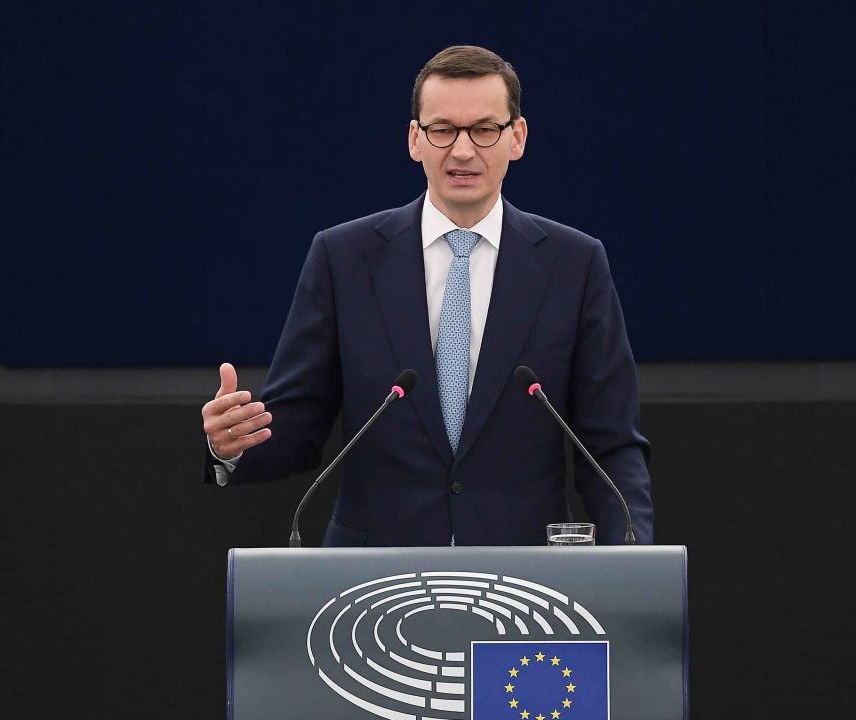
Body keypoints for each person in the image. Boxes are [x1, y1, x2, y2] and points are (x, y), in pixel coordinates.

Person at [201, 45, 652, 546]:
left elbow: (610, 447)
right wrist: (233, 446)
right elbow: (299, 427)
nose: (462, 151)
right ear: (415, 139)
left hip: (524, 578)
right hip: (373, 576)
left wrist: (632, 565)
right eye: (442, 130)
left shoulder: (575, 263)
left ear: (517, 138)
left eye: (484, 129)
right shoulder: (343, 258)